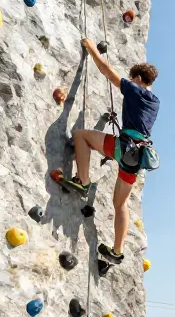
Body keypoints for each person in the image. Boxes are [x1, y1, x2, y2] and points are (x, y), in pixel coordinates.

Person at [62, 38, 160, 265]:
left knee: (81, 136)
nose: (131, 82)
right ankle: (116, 251)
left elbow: (107, 71)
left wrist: (91, 49)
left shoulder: (134, 89)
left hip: (123, 147)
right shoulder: (155, 102)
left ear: (138, 79)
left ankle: (83, 181)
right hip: (136, 158)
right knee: (120, 204)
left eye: (132, 79)